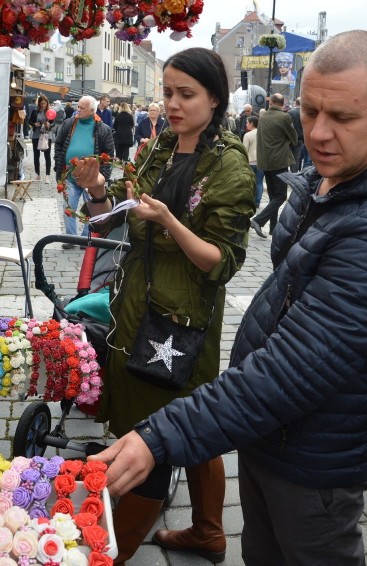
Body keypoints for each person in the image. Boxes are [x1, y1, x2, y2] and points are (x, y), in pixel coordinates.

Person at [89, 30, 367, 565]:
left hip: (315, 455)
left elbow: (296, 366)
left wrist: (161, 436)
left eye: (343, 117)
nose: (320, 133)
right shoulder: (326, 183)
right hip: (271, 435)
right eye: (309, 112)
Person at [71, 47, 256, 565]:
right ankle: (206, 532)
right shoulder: (159, 149)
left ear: (215, 99)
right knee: (154, 412)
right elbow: (122, 217)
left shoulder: (231, 167)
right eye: (168, 92)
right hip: (135, 304)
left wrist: (170, 220)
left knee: (180, 421)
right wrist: (98, 191)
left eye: (186, 94)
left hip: (182, 319)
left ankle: (119, 549)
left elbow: (221, 262)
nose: (173, 104)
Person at [53, 95, 115, 249]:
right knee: (69, 208)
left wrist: (104, 176)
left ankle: (86, 238)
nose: (78, 110)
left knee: (92, 210)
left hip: (91, 178)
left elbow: (109, 155)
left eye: (82, 108)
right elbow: (59, 144)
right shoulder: (69, 123)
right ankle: (71, 238)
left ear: (92, 110)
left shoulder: (103, 128)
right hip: (69, 175)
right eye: (78, 106)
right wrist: (58, 163)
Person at [249, 92, 297, 239]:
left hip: (265, 161)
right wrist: (286, 142)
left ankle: (273, 228)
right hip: (279, 161)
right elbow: (294, 138)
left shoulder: (262, 117)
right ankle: (258, 220)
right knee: (281, 196)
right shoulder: (284, 117)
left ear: (271, 103)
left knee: (273, 197)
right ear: (282, 105)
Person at [28, 95, 53, 182]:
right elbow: (29, 121)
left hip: (46, 136)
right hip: (36, 135)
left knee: (47, 155)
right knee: (36, 155)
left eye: (44, 103)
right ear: (39, 103)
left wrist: (49, 125)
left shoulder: (50, 112)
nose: (43, 105)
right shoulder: (35, 112)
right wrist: (34, 124)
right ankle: (37, 174)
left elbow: (53, 123)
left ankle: (47, 175)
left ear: (47, 103)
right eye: (41, 103)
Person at [243, 116, 264, 207]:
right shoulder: (264, 133)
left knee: (249, 182)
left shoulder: (247, 135)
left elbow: (244, 149)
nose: (246, 124)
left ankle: (249, 200)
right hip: (261, 161)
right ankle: (257, 202)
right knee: (259, 182)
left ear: (252, 124)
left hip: (250, 161)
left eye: (247, 122)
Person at [286, 97, 306, 172]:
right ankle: (294, 174)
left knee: (288, 157)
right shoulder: (304, 113)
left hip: (289, 139)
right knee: (296, 158)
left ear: (296, 103)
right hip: (300, 139)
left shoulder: (290, 112)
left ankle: (287, 173)